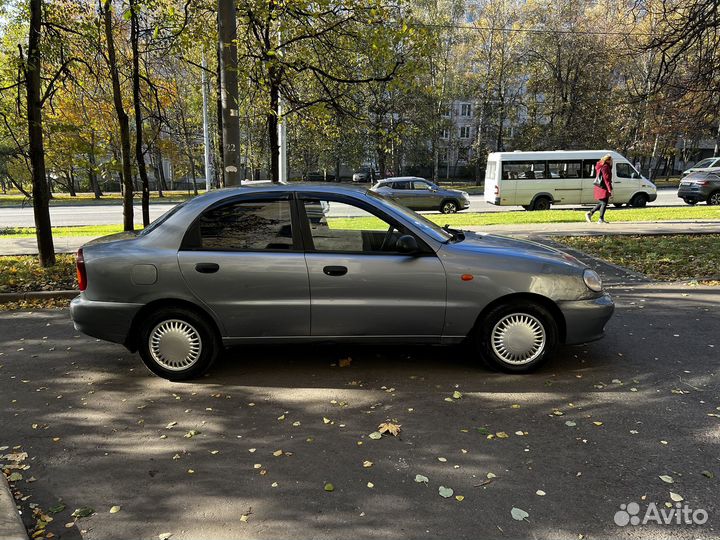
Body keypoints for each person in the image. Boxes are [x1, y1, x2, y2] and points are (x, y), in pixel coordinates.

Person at [586, 154, 613, 224]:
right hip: (603, 187)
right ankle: (600, 219)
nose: (612, 161)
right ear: (607, 160)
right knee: (604, 203)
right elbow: (606, 179)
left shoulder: (601, 165)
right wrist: (610, 189)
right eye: (611, 160)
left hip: (600, 186)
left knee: (602, 202)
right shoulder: (605, 167)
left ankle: (590, 213)